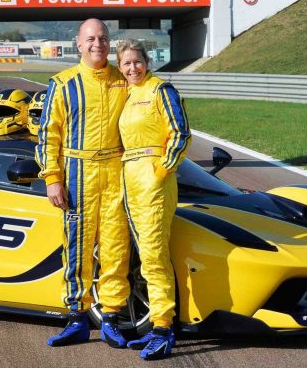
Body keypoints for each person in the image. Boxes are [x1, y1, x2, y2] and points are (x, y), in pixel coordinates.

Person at [35, 19, 131, 348]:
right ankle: (76, 318)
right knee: (76, 249)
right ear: (78, 44)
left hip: (116, 172)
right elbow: (48, 135)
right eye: (90, 39)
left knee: (116, 249)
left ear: (110, 43)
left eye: (103, 38)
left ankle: (112, 318)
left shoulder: (124, 80)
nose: (97, 44)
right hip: (77, 172)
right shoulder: (62, 83)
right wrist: (52, 179)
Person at [116, 39, 191, 361]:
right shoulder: (125, 94)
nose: (133, 68)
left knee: (153, 255)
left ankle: (163, 328)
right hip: (127, 177)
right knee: (137, 253)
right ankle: (153, 326)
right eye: (126, 63)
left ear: (147, 61)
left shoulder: (161, 89)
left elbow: (181, 132)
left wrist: (161, 170)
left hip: (153, 177)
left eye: (137, 61)